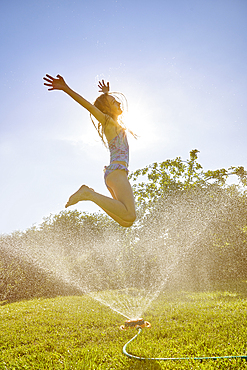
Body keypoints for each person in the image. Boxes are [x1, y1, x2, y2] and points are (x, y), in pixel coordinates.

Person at [43, 74, 136, 227]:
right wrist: (66, 89)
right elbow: (90, 106)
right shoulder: (108, 122)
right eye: (114, 102)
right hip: (117, 172)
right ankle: (89, 194)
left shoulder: (115, 124)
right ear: (107, 108)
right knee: (130, 215)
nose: (118, 102)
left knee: (126, 222)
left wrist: (106, 94)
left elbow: (101, 105)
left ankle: (90, 194)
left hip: (113, 174)